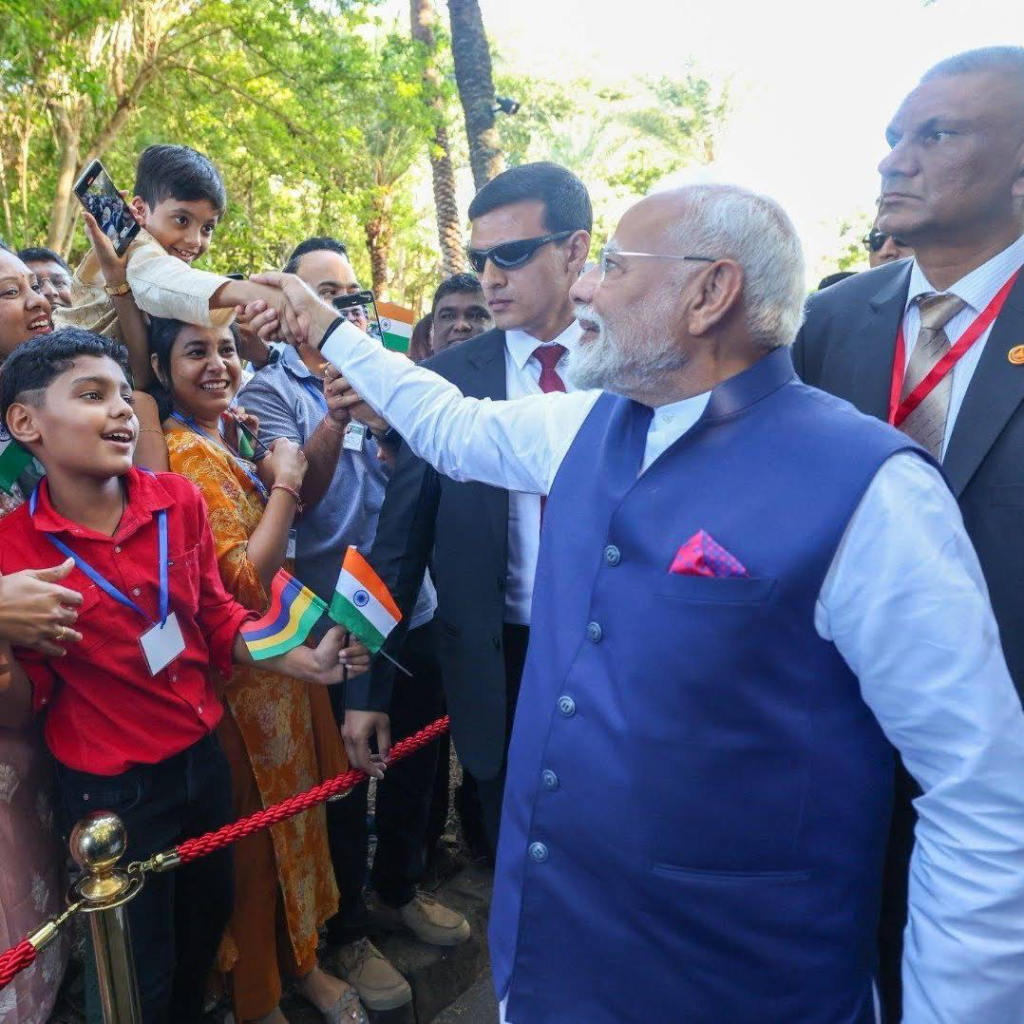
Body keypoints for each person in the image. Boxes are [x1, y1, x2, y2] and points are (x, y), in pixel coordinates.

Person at [247, 179, 1024, 1023]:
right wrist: (326, 329)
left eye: (613, 266)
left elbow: (980, 799)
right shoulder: (588, 424)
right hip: (551, 958)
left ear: (710, 292)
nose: (584, 286)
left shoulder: (874, 491)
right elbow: (451, 426)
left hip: (741, 981)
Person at [0, 328, 366, 1024]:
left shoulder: (177, 499)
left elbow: (216, 617)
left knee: (205, 925)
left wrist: (298, 660)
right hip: (115, 792)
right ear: (26, 424)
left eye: (121, 395)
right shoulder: (13, 554)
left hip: (203, 760)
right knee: (137, 963)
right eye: (90, 394)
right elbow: (23, 709)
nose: (119, 413)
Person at [792, 45, 1024, 1021]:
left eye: (937, 134)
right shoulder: (829, 321)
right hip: (832, 740)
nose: (894, 160)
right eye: (893, 136)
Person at [238, 237, 468, 1015]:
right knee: (342, 784)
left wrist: (391, 420)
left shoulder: (397, 375)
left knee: (416, 759)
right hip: (337, 628)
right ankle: (346, 933)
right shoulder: (269, 393)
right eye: (320, 292)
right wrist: (336, 422)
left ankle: (402, 887)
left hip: (418, 608)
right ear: (285, 307)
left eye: (349, 291)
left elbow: (428, 485)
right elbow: (302, 513)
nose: (340, 305)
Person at [342, 162, 593, 861]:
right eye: (481, 259)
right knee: (516, 859)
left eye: (510, 255)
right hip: (497, 658)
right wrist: (369, 689)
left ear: (575, 250)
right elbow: (397, 546)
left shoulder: (636, 361)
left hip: (615, 652)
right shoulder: (445, 382)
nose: (490, 278)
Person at [150, 317, 366, 1024]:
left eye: (225, 349)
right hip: (239, 684)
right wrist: (286, 482)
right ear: (158, 367)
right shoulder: (183, 454)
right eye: (195, 352)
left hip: (287, 669)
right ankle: (258, 992)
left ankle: (303, 961)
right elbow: (241, 580)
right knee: (252, 844)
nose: (217, 364)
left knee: (297, 830)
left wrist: (274, 469)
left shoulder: (228, 436)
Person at [55, 143, 294, 390]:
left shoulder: (149, 255)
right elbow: (170, 282)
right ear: (140, 210)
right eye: (182, 220)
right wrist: (252, 292)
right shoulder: (141, 249)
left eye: (207, 228)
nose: (195, 240)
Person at [429, 273, 494, 353]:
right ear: (433, 330)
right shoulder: (414, 366)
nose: (461, 326)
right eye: (448, 316)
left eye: (476, 315)